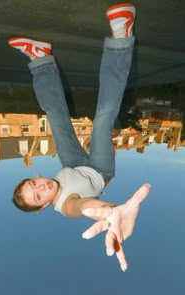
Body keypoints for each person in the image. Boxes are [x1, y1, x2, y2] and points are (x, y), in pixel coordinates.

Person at [8, 3, 151, 272]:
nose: (42, 188)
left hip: (71, 163)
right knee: (103, 118)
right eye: (38, 197)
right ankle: (121, 39)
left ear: (35, 176)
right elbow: (84, 206)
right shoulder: (65, 206)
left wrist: (71, 170)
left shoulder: (52, 181)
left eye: (33, 184)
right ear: (42, 208)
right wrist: (110, 212)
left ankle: (40, 58)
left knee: (54, 116)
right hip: (100, 170)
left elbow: (63, 174)